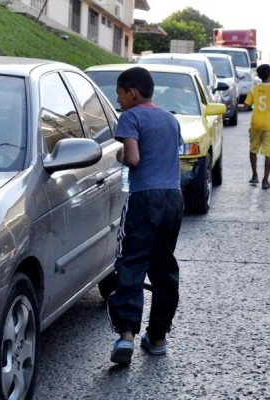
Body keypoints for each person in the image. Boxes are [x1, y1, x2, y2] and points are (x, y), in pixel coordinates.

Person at [107, 66, 184, 366]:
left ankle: (126, 336)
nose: (118, 98)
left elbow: (135, 159)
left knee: (132, 261)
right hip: (173, 199)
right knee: (164, 266)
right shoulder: (170, 119)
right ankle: (158, 336)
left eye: (119, 93)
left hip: (144, 199)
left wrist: (121, 156)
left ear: (132, 93)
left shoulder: (131, 117)